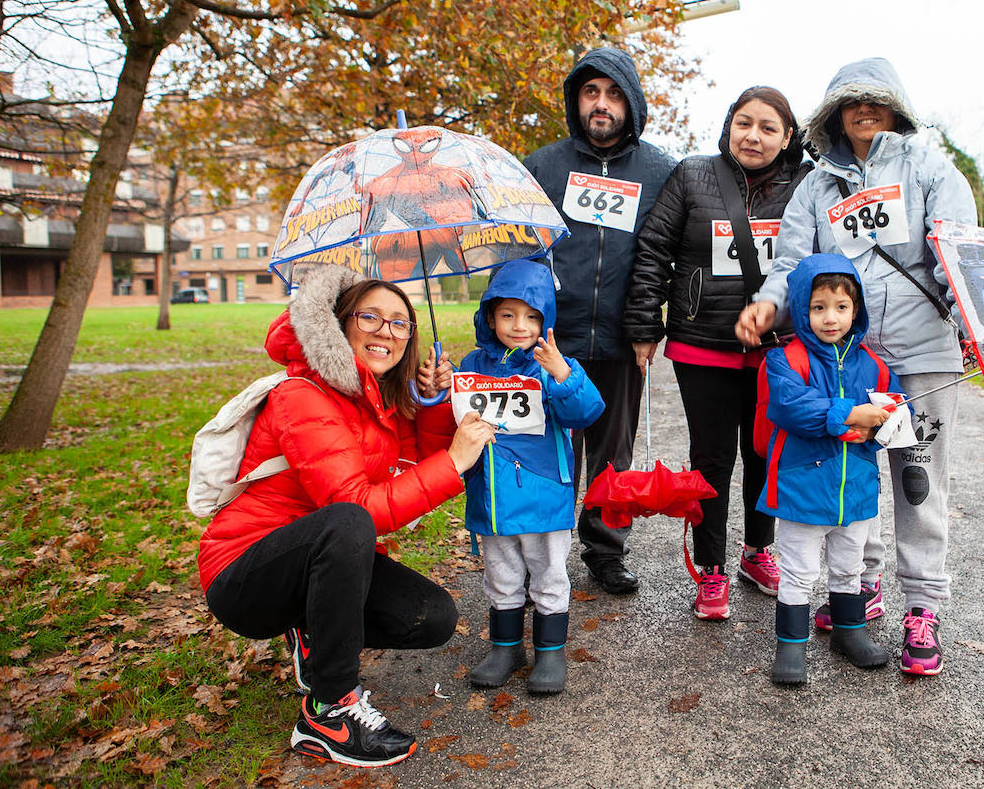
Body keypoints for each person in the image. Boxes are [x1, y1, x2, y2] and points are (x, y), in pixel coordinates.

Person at [736, 57, 978, 677]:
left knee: (919, 482)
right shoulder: (815, 187)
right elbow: (790, 261)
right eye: (851, 103)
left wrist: (971, 317)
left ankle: (923, 606)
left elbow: (956, 245)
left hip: (923, 355)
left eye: (875, 101)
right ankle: (857, 588)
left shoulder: (928, 168)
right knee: (854, 471)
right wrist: (767, 305)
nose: (864, 112)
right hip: (847, 361)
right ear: (835, 114)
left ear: (895, 107)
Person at [197, 265, 495, 768]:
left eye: (401, 323)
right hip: (245, 570)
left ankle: (313, 627)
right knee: (351, 519)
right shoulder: (302, 394)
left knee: (432, 616)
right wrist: (457, 462)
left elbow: (408, 471)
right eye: (371, 317)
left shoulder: (375, 401)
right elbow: (361, 509)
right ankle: (326, 713)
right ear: (339, 323)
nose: (388, 332)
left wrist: (430, 404)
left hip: (320, 557)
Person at [623, 85, 809, 620]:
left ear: (787, 137)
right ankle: (710, 569)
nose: (754, 135)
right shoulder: (693, 175)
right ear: (729, 125)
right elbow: (654, 248)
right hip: (702, 343)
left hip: (778, 347)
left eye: (768, 127)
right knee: (712, 457)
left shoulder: (804, 185)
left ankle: (757, 551)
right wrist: (644, 324)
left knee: (764, 453)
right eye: (744, 123)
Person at [523, 47, 675, 594]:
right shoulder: (542, 166)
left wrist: (646, 328)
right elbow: (521, 251)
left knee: (614, 452)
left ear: (631, 102)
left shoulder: (661, 171)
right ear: (576, 100)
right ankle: (542, 548)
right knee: (549, 445)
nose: (601, 104)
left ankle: (606, 551)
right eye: (591, 93)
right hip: (550, 339)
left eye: (613, 94)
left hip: (621, 338)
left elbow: (663, 256)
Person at [458, 259, 605, 694]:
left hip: (543, 492)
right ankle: (506, 647)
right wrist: (437, 388)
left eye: (532, 316)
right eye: (507, 315)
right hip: (491, 494)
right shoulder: (472, 362)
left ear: (547, 320)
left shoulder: (552, 365)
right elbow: (450, 422)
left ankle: (549, 651)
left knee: (548, 573)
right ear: (489, 317)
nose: (519, 325)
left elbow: (588, 411)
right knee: (501, 574)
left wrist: (562, 373)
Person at [759, 254, 905, 684]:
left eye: (841, 307)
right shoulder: (786, 359)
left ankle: (849, 630)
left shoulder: (873, 365)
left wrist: (877, 426)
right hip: (803, 486)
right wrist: (849, 413)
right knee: (799, 569)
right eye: (818, 307)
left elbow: (894, 412)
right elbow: (790, 407)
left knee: (849, 565)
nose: (830, 318)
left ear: (855, 309)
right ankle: (791, 644)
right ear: (802, 309)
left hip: (855, 488)